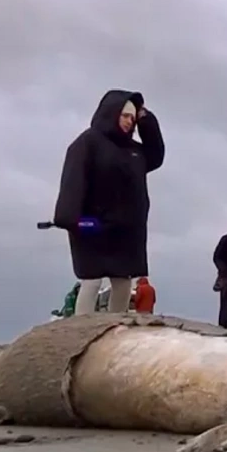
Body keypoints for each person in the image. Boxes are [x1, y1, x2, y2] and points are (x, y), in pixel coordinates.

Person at [53, 90, 165, 315]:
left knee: (123, 282)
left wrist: (146, 119)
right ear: (111, 112)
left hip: (126, 231)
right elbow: (72, 182)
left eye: (132, 118)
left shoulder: (134, 151)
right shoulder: (87, 142)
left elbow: (156, 155)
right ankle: (81, 330)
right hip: (92, 226)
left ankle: (116, 328)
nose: (129, 122)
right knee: (91, 281)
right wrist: (74, 221)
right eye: (125, 115)